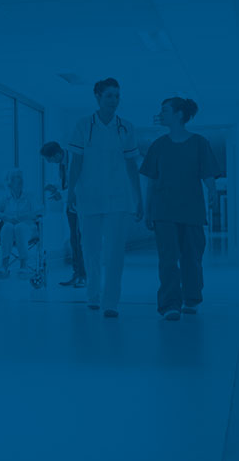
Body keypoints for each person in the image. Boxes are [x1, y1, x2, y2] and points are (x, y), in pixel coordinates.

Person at [66, 78, 143, 318]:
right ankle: (93, 295)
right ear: (98, 97)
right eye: (109, 96)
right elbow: (75, 162)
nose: (114, 100)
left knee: (115, 252)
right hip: (88, 197)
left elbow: (132, 165)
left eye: (117, 96)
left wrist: (138, 197)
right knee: (90, 250)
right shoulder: (83, 125)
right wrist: (70, 192)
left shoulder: (126, 128)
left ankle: (111, 302)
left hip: (118, 199)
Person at [139, 97, 221, 321]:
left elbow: (207, 173)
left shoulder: (199, 143)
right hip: (163, 211)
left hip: (192, 210)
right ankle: (169, 304)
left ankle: (191, 298)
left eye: (164, 110)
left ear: (178, 114)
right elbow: (152, 183)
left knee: (192, 257)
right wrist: (147, 211)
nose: (160, 113)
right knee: (167, 259)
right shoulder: (158, 146)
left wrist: (212, 191)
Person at [40, 141, 86, 288]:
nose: (50, 163)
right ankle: (77, 273)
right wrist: (56, 188)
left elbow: (80, 185)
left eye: (50, 159)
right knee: (74, 240)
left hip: (82, 205)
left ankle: (83, 276)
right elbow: (67, 183)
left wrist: (62, 193)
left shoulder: (76, 160)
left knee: (81, 240)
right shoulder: (62, 163)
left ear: (58, 154)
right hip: (71, 205)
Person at [0, 169, 39, 277]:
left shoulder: (30, 196)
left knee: (19, 227)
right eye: (16, 178)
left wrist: (23, 217)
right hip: (10, 231)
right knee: (7, 227)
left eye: (21, 178)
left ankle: (23, 265)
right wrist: (5, 216)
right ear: (9, 183)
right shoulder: (5, 198)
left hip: (28, 229)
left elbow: (41, 210)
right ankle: (4, 266)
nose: (20, 181)